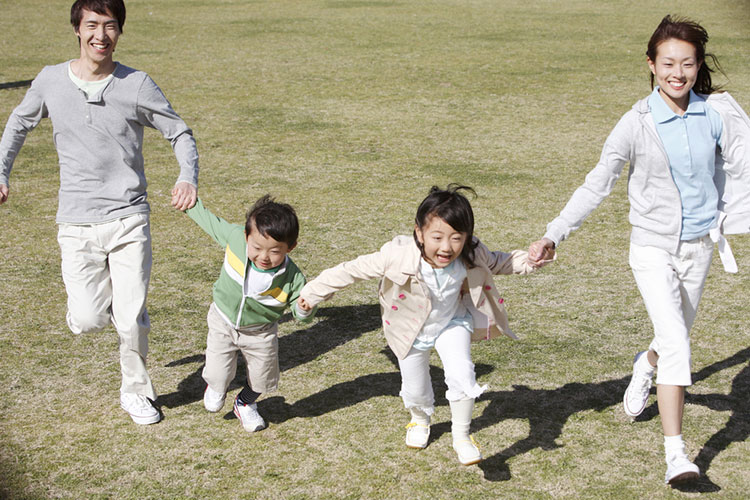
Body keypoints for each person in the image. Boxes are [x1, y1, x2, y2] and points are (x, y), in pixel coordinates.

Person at [529, 15, 750, 485]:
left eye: (687, 63)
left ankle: (645, 366)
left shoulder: (717, 114)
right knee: (679, 346)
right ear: (651, 65)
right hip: (651, 249)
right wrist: (554, 234)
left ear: (698, 66)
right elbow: (598, 183)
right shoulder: (636, 123)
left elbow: (741, 168)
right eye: (668, 63)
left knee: (671, 342)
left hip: (699, 249)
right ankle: (677, 456)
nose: (677, 72)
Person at [0, 0, 200, 424]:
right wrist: (1, 172)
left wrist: (187, 177)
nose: (101, 35)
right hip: (76, 221)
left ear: (119, 32)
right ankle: (98, 309)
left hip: (129, 217)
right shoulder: (51, 80)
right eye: (92, 25)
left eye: (110, 26)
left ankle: (136, 392)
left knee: (130, 318)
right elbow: (18, 124)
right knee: (89, 319)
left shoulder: (136, 84)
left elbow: (179, 132)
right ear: (77, 28)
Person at [297, 185, 552, 465]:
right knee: (416, 388)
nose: (446, 247)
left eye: (456, 238)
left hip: (452, 323)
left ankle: (462, 436)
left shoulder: (472, 254)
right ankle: (419, 420)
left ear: (466, 238)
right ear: (419, 233)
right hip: (409, 329)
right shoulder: (398, 255)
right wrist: (313, 293)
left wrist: (531, 260)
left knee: (463, 374)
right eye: (437, 237)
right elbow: (352, 270)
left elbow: (500, 262)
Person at [185, 196, 316, 432]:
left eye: (274, 251)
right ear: (246, 236)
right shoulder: (235, 238)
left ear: (290, 247)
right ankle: (216, 386)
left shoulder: (293, 278)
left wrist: (305, 308)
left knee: (264, 378)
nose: (264, 257)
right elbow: (211, 222)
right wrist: (189, 205)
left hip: (260, 332)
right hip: (223, 321)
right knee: (217, 373)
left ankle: (245, 403)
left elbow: (301, 313)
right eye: (256, 248)